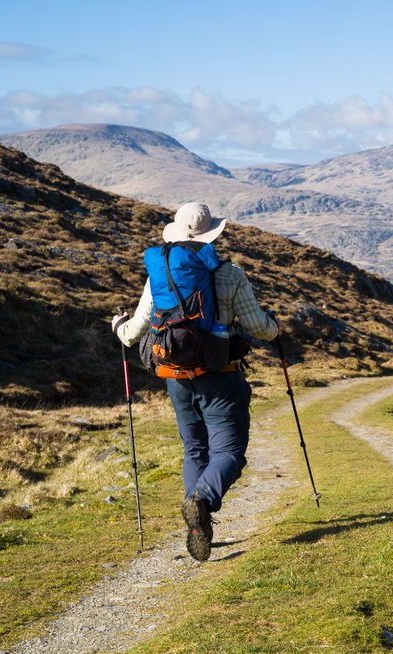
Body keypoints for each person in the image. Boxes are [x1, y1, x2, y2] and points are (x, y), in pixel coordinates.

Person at [112, 202, 279, 562]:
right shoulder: (230, 274)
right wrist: (275, 325)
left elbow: (133, 332)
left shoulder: (161, 276)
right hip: (220, 378)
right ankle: (201, 501)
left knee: (195, 450)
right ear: (210, 235)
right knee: (230, 453)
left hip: (176, 378)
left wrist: (117, 326)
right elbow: (259, 328)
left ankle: (197, 524)